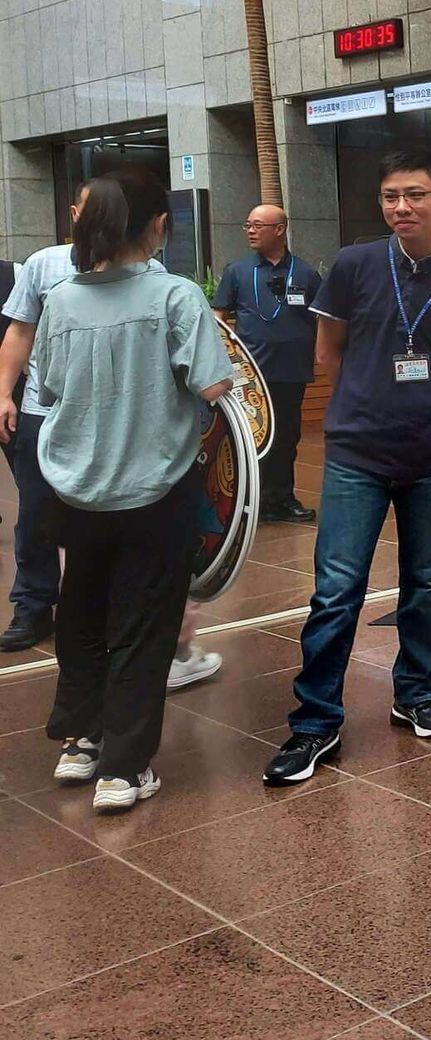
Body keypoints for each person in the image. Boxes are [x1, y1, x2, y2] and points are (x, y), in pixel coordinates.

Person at [262, 150, 431, 787]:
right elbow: (329, 351)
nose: (402, 207)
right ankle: (316, 721)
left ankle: (417, 693)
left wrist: (421, 406)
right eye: (391, 196)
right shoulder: (355, 264)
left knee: (425, 585)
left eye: (416, 195)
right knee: (336, 590)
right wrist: (373, 398)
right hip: (358, 453)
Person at [32, 168, 233, 811]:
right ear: (159, 225)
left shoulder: (61, 299)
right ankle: (123, 769)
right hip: (154, 485)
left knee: (82, 613)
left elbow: (50, 386)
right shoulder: (175, 296)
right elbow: (213, 385)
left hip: (74, 487)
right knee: (143, 627)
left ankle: (81, 742)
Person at [0, 181, 149, 652]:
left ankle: (107, 607)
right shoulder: (44, 264)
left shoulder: (149, 270)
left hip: (116, 417)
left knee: (111, 514)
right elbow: (19, 333)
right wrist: (4, 393)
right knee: (36, 514)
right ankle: (33, 606)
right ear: (74, 213)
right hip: (44, 412)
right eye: (92, 208)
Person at [214, 203, 321, 523]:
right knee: (252, 439)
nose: (250, 231)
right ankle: (251, 502)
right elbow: (218, 317)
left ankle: (282, 499)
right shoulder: (237, 271)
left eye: (257, 225)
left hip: (291, 370)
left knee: (287, 438)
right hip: (250, 376)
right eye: (247, 225)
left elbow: (322, 319)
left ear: (280, 229)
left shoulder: (305, 273)